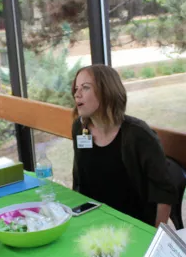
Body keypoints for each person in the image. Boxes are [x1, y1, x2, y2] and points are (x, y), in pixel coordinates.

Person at [71, 64, 177, 227]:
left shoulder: (139, 135)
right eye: (76, 88)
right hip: (92, 221)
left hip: (133, 226)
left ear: (107, 92)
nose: (76, 94)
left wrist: (153, 235)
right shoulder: (80, 128)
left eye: (85, 88)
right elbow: (79, 182)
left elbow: (164, 193)